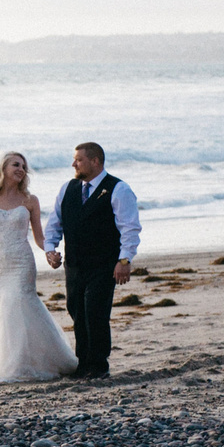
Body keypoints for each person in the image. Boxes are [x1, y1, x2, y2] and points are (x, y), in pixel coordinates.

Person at [0, 150, 77, 384]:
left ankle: (41, 360)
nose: (21, 169)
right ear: (3, 169)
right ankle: (10, 364)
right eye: (15, 165)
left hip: (22, 261)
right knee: (4, 309)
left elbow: (39, 237)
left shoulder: (30, 201)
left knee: (23, 303)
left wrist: (50, 251)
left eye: (23, 166)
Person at [44, 141, 141, 379]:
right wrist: (50, 249)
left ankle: (99, 365)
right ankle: (83, 363)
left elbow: (130, 228)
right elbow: (55, 222)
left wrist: (124, 261)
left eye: (78, 159)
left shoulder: (119, 189)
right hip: (75, 264)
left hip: (104, 264)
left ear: (95, 161)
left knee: (95, 312)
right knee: (76, 310)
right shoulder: (68, 188)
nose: (73, 163)